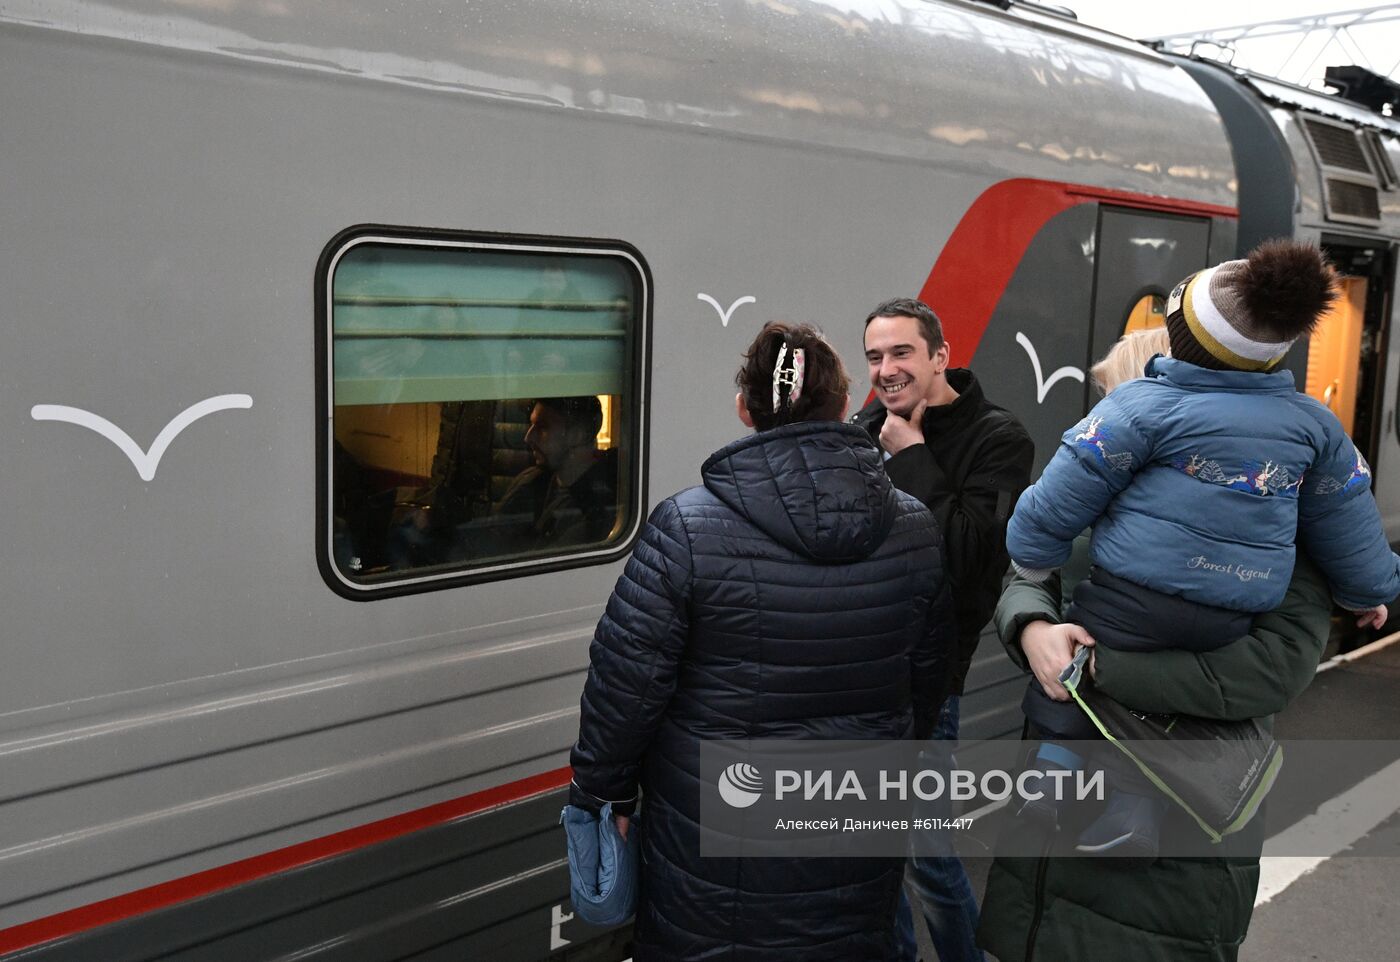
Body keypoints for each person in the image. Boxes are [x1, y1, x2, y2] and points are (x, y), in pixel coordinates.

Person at [569, 321, 955, 961]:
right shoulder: (912, 526)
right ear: (841, 405)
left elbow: (624, 686)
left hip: (712, 837)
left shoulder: (687, 527)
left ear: (745, 408)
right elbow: (928, 678)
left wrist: (600, 793)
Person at [1005, 241, 1400, 855]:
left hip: (1131, 599)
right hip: (1228, 614)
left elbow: (1066, 488)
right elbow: (1347, 515)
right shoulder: (1316, 426)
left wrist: (1032, 553)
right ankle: (1134, 814)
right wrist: (1369, 592)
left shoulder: (1142, 405)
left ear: (1181, 339)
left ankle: (1047, 783)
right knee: (1158, 720)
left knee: (1077, 680)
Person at [977, 324, 1336, 962]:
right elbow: (1030, 575)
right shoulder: (1101, 497)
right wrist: (1031, 625)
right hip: (1044, 869)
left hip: (1171, 871)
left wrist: (1098, 669)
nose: (1100, 423)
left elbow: (1271, 670)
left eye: (1114, 403)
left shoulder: (1278, 530)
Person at [849, 297, 1034, 962]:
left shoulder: (998, 438)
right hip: (864, 674)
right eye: (875, 356)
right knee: (875, 859)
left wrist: (913, 455)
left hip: (930, 679)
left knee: (927, 855)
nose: (887, 369)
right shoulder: (865, 425)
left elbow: (973, 557)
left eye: (901, 353)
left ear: (939, 356)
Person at [492, 395, 619, 549]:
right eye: (532, 425)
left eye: (543, 427)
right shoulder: (531, 480)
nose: (528, 437)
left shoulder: (596, 510)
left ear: (578, 434)